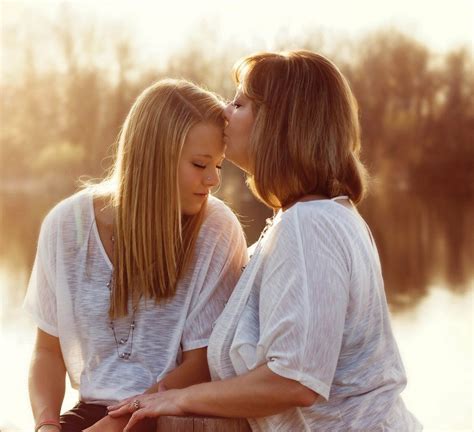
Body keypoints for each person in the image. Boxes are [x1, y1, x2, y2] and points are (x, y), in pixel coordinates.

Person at [108, 51, 422, 431]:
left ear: (279, 124)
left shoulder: (311, 226)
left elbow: (293, 380)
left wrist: (171, 400)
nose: (224, 111)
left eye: (239, 103)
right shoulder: (302, 221)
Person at [24, 79, 248, 432]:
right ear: (154, 158)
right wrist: (47, 424)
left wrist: (122, 421)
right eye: (200, 164)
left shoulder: (217, 229)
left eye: (218, 166)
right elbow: (47, 352)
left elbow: (203, 364)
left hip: (176, 414)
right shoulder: (65, 225)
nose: (213, 181)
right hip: (93, 413)